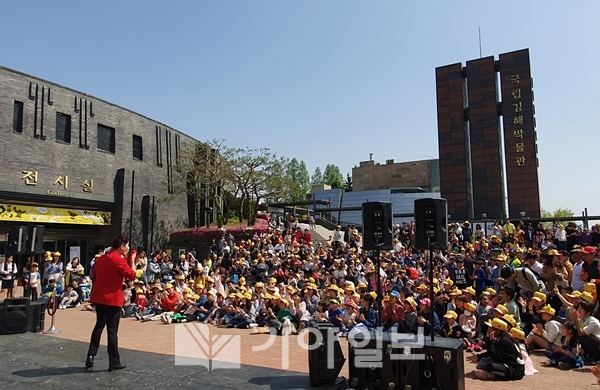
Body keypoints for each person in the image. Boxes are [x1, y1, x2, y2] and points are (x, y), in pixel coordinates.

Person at [86, 234, 136, 371]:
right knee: (112, 332)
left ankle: (91, 355)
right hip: (112, 299)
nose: (128, 248)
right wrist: (132, 260)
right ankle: (113, 362)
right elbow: (132, 275)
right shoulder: (119, 261)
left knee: (99, 325)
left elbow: (94, 275)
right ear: (122, 246)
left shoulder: (101, 259)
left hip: (99, 297)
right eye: (127, 246)